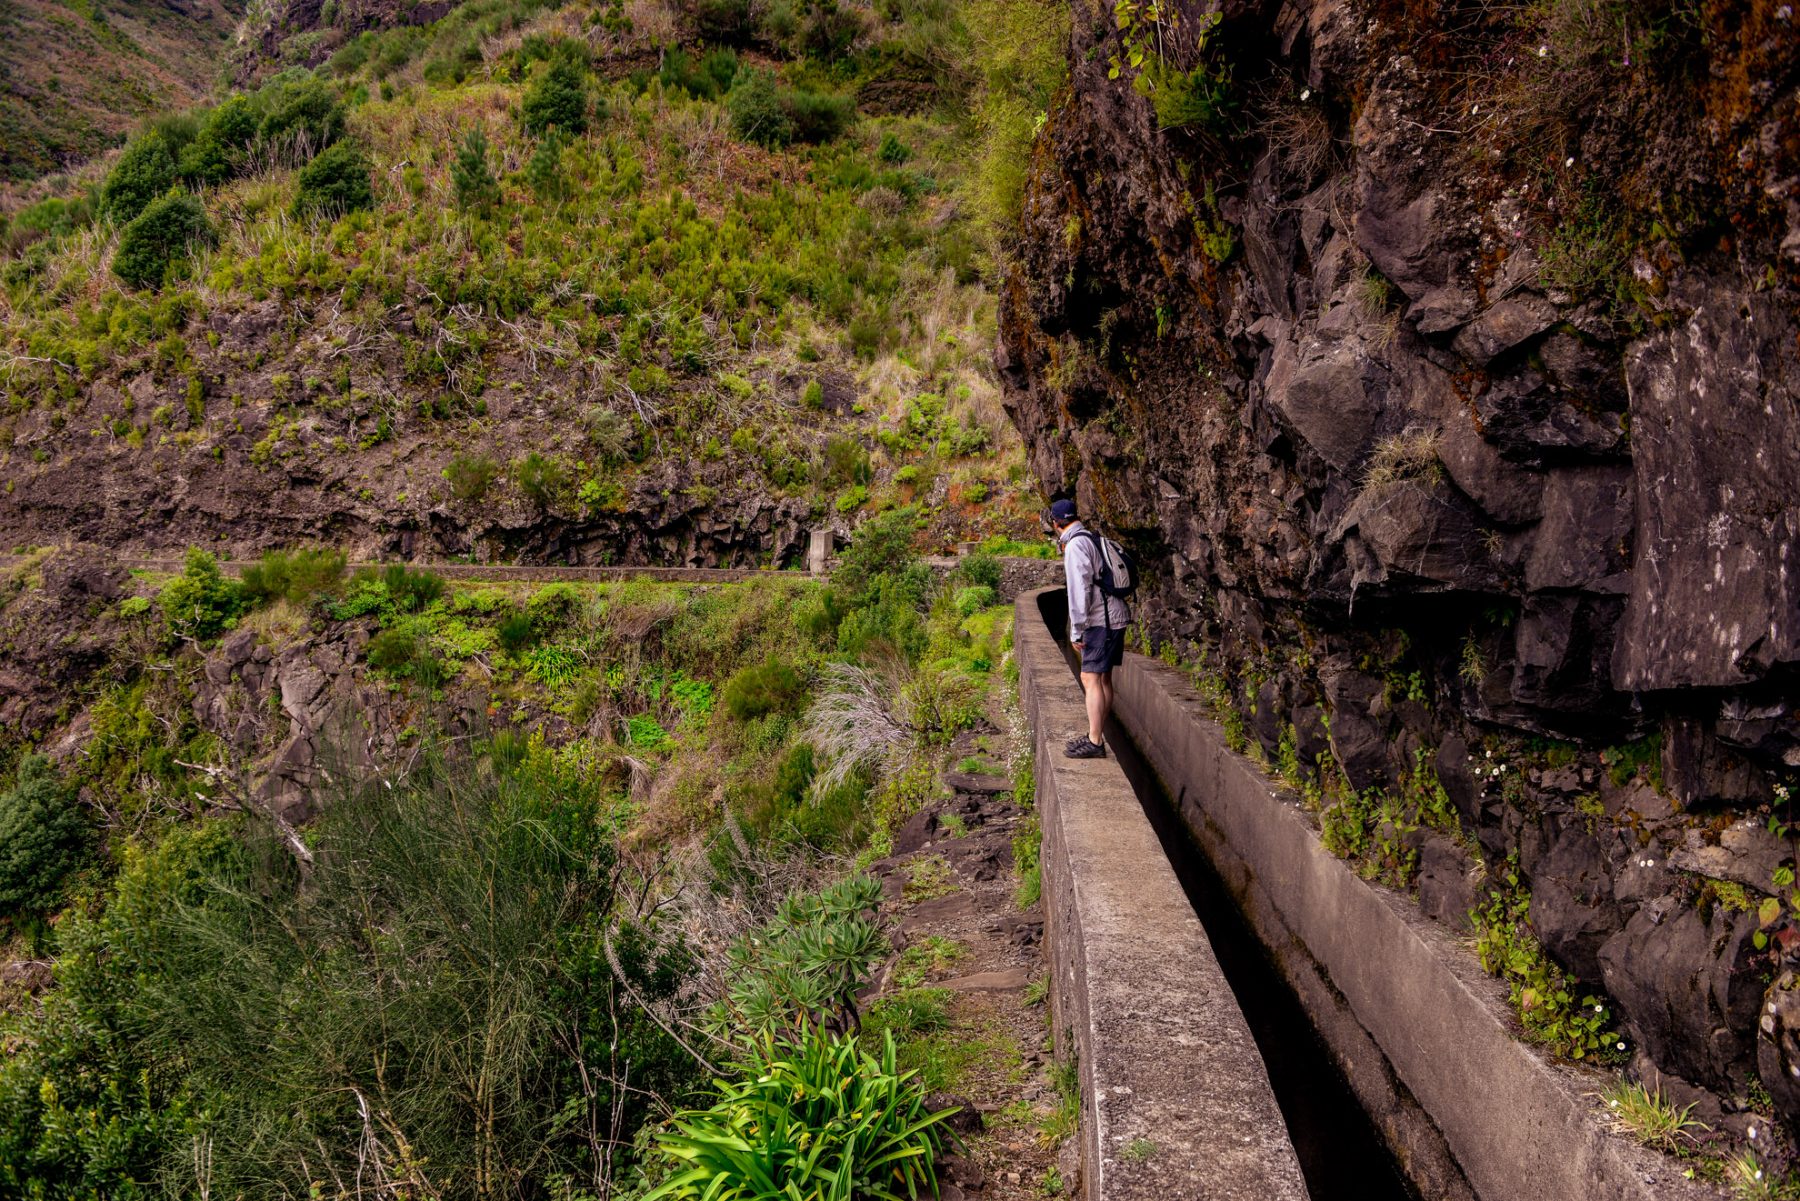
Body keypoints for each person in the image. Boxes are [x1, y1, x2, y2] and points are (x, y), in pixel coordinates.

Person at [1049, 499, 1129, 758]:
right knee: (1103, 678)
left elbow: (1079, 591)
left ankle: (1095, 741)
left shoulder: (1074, 546)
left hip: (1099, 621)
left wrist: (1076, 630)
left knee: (1090, 678)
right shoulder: (1091, 537)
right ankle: (1097, 733)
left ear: (1055, 523)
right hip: (1114, 617)